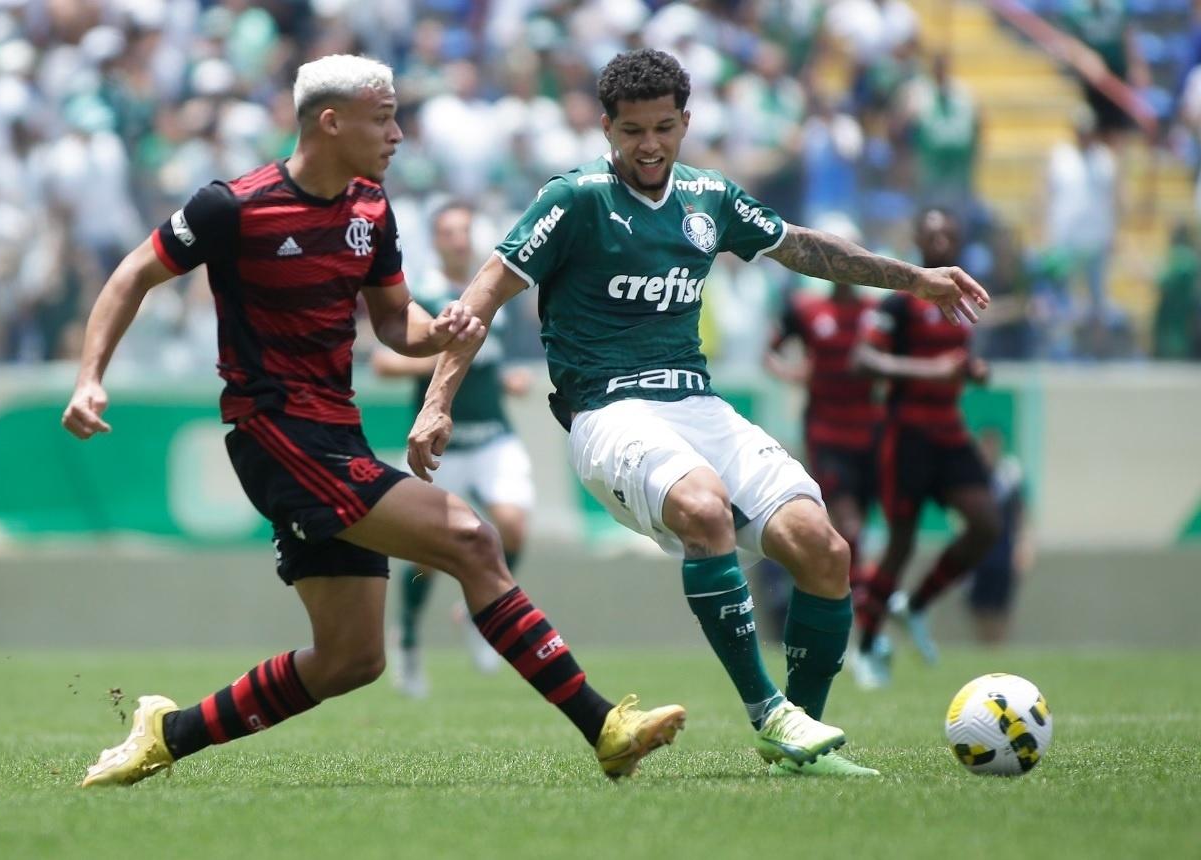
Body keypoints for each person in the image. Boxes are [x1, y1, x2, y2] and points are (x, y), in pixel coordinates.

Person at [62, 55, 685, 788]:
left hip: (336, 431)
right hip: (276, 432)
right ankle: (604, 726)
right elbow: (135, 272)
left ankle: (167, 734)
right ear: (331, 121)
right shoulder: (232, 206)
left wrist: (441, 330)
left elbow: (395, 323)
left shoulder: (370, 208)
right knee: (471, 537)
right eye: (383, 117)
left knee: (351, 658)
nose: (397, 133)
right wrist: (89, 377)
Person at [407, 50, 989, 777]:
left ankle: (798, 739)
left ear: (685, 121)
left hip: (698, 405)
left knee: (825, 548)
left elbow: (804, 248)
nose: (648, 145)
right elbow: (483, 297)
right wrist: (437, 403)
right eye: (631, 131)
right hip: (608, 412)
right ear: (606, 128)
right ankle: (767, 711)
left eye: (663, 127)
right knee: (704, 508)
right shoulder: (575, 199)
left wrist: (914, 281)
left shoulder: (708, 197)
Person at [372, 200, 535, 697]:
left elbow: (491, 357)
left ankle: (478, 611)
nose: (459, 241)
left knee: (513, 524)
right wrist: (445, 359)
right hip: (439, 446)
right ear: (437, 239)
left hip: (492, 436)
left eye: (465, 231)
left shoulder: (493, 292)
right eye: (449, 233)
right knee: (427, 555)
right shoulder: (422, 294)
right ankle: (409, 638)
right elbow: (383, 363)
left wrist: (502, 377)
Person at [850, 207, 1001, 688]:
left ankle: (913, 606)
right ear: (917, 239)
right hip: (906, 433)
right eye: (930, 232)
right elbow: (863, 360)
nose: (939, 240)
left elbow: (956, 360)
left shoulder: (960, 300)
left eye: (948, 232)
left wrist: (971, 371)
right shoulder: (900, 302)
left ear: (957, 240)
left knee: (987, 524)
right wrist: (930, 371)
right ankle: (868, 646)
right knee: (900, 544)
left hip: (949, 431)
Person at [763, 221, 882, 594]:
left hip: (869, 431)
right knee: (848, 523)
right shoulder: (807, 309)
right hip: (826, 430)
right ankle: (859, 601)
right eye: (838, 254)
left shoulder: (877, 313)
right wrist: (795, 374)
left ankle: (852, 601)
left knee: (857, 523)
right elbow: (770, 350)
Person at [966, 427, 1030, 646]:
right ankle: (984, 643)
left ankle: (998, 645)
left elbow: (1021, 513)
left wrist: (1023, 545)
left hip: (1003, 550)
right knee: (979, 603)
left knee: (1001, 603)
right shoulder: (973, 478)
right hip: (979, 551)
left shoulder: (1009, 477)